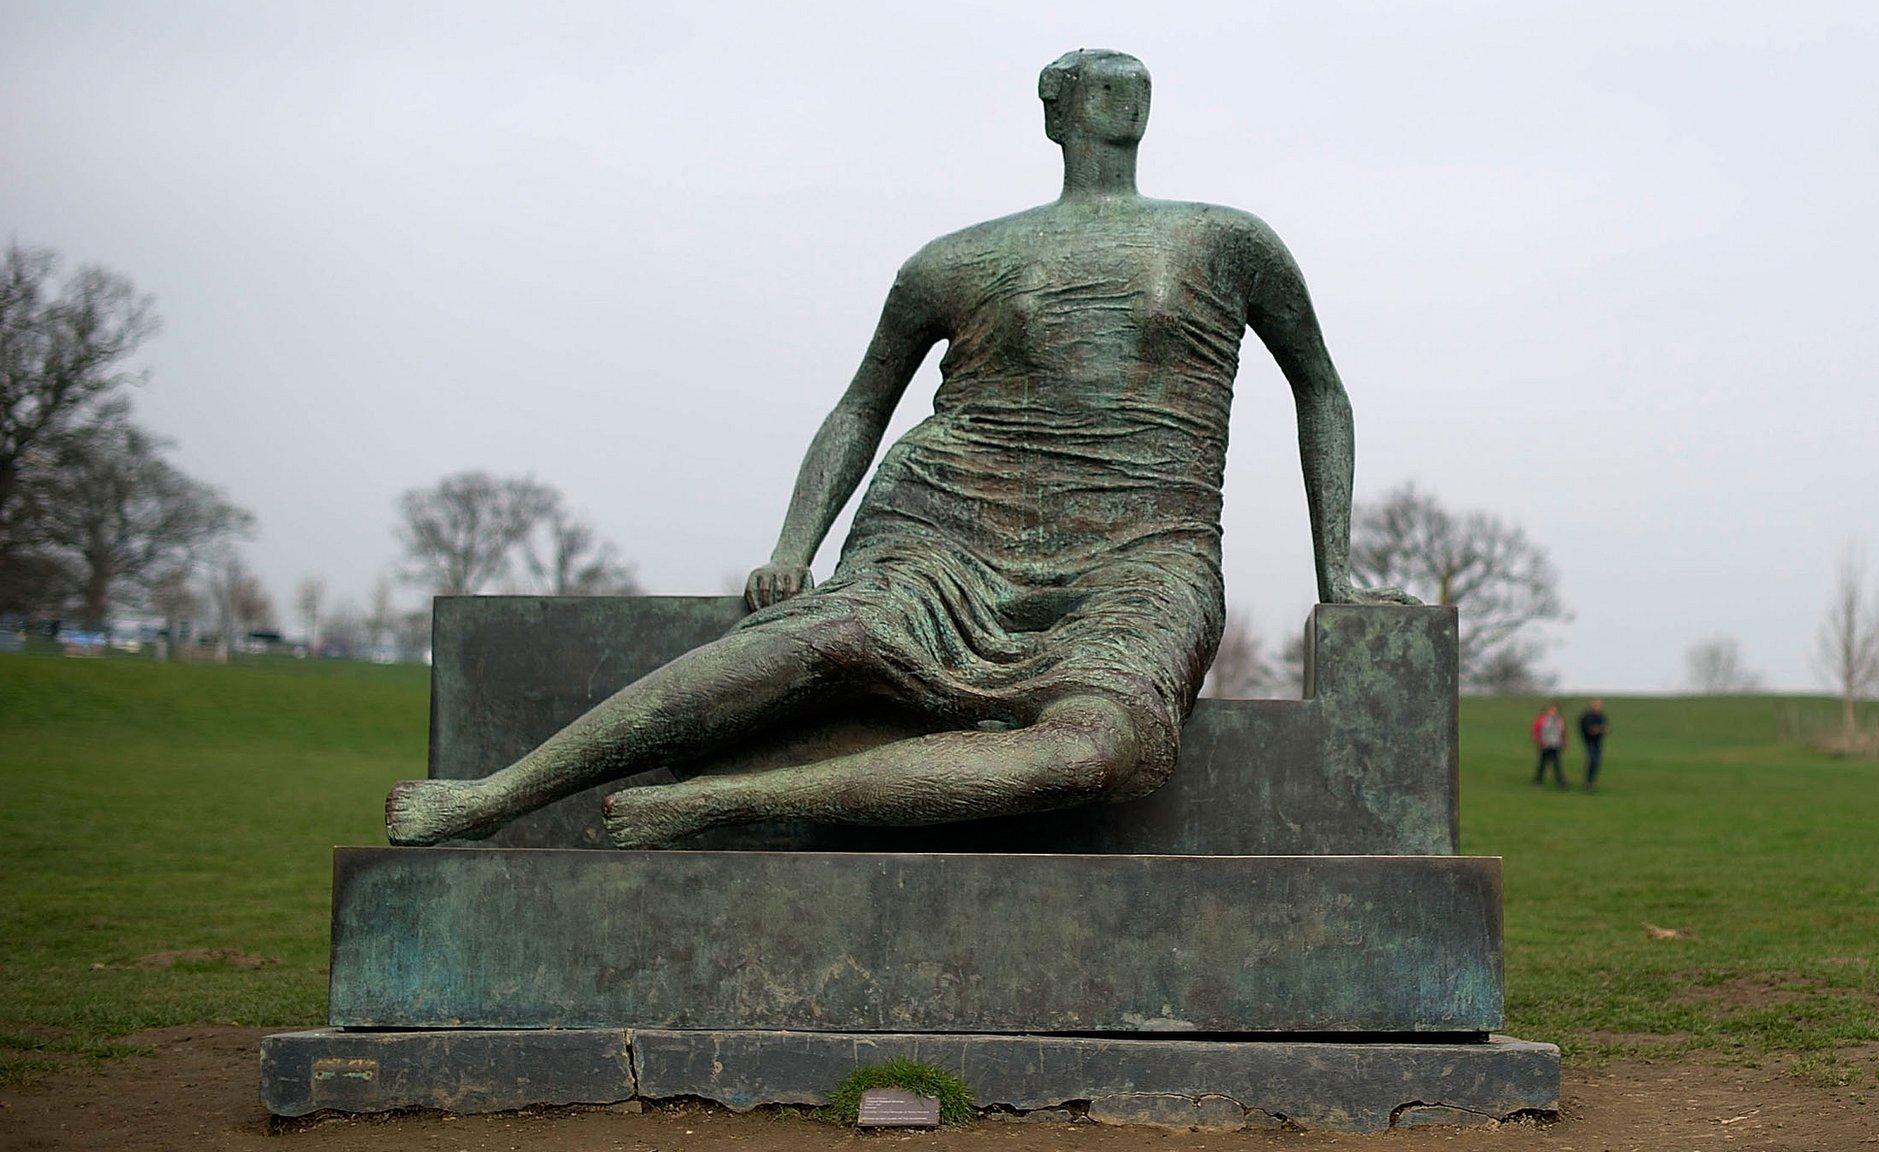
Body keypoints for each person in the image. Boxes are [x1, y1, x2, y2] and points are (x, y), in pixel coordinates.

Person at [383, 49, 1414, 850]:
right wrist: (795, 542)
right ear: (1052, 113)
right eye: (1092, 89)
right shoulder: (956, 258)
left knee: (1100, 748)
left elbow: (1317, 387)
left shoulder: (1223, 241)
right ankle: (495, 795)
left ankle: (722, 803)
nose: (1116, 95)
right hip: (947, 527)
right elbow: (860, 405)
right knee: (819, 639)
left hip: (1143, 555)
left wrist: (1342, 574)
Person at [1531, 702, 1568, 788]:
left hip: (1555, 744)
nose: (1553, 712)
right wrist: (1539, 741)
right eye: (1551, 710)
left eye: (1555, 710)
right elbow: (1536, 730)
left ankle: (1560, 781)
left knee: (1557, 763)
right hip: (1545, 744)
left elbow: (1563, 731)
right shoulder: (1542, 719)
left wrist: (1564, 741)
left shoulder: (1560, 720)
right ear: (1548, 710)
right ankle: (1538, 781)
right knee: (1542, 763)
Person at [1577, 699, 1608, 791]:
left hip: (1598, 742)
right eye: (1596, 705)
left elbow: (1606, 729)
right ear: (1592, 705)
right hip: (1589, 742)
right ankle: (1588, 783)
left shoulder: (1601, 716)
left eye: (1600, 705)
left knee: (1596, 763)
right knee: (1592, 761)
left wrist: (1599, 729)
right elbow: (1588, 730)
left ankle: (1591, 782)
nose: (1598, 707)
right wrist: (1597, 729)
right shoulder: (1586, 716)